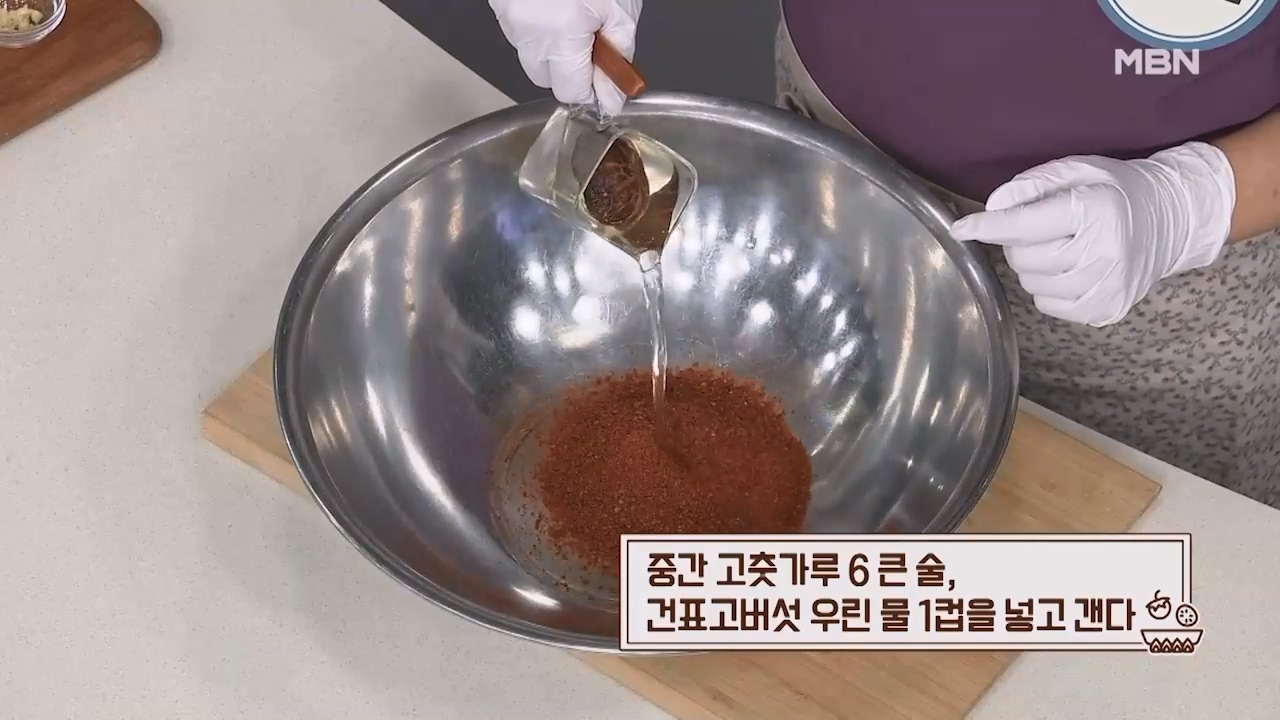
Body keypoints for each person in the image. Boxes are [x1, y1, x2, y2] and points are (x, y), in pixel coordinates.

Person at [487, 0, 1280, 506]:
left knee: (1128, 532)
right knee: (861, 455)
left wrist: (1188, 205)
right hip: (834, 155)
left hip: (1151, 269)